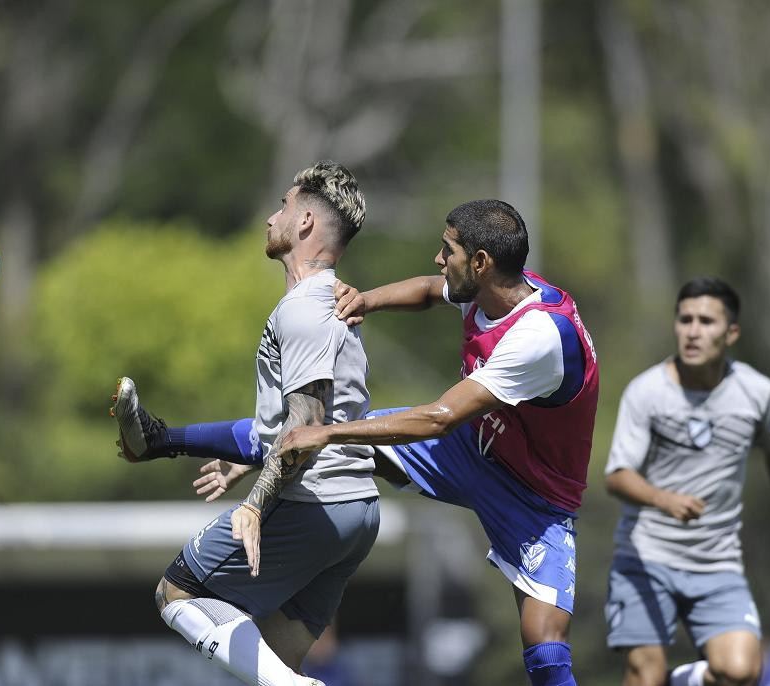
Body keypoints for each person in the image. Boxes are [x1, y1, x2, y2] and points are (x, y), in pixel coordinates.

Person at [146, 199, 597, 685]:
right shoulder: (490, 288)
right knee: (324, 431)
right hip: (474, 448)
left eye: (448, 250)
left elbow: (438, 418)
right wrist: (366, 300)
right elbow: (427, 291)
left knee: (545, 649)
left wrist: (329, 432)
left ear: (482, 261)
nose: (437, 259)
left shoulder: (540, 336)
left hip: (532, 494)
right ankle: (165, 439)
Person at [111, 160, 379, 686]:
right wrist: (189, 447)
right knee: (273, 664)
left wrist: (256, 503)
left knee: (177, 593)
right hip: (357, 513)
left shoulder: (304, 309)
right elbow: (288, 425)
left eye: (281, 205)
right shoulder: (334, 300)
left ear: (304, 221)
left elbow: (307, 424)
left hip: (313, 503)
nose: (270, 217)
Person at [602, 277, 770, 686]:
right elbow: (617, 476)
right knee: (641, 675)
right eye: (685, 320)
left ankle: (676, 680)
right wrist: (663, 499)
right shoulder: (647, 391)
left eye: (706, 321)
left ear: (731, 332)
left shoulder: (756, 391)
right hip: (646, 558)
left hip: (717, 561)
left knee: (741, 670)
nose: (693, 331)